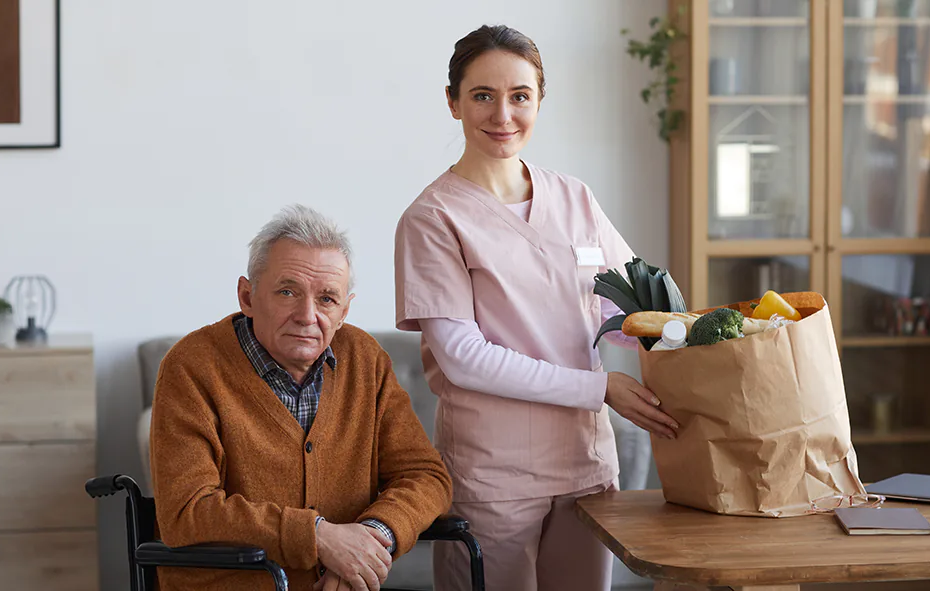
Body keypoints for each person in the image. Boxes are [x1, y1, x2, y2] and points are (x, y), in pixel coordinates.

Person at [393, 25, 680, 591]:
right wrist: (601, 389)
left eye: (520, 96)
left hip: (585, 466)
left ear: (540, 101)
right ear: (453, 103)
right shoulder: (432, 219)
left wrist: (689, 335)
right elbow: (465, 359)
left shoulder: (574, 197)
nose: (503, 114)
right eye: (482, 95)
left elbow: (631, 312)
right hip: (494, 474)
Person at [151, 205, 453, 591]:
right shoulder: (191, 366)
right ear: (247, 296)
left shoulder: (365, 359)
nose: (307, 315)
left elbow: (425, 476)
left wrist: (368, 543)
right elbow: (187, 511)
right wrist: (319, 538)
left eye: (327, 299)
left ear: (344, 311)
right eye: (288, 291)